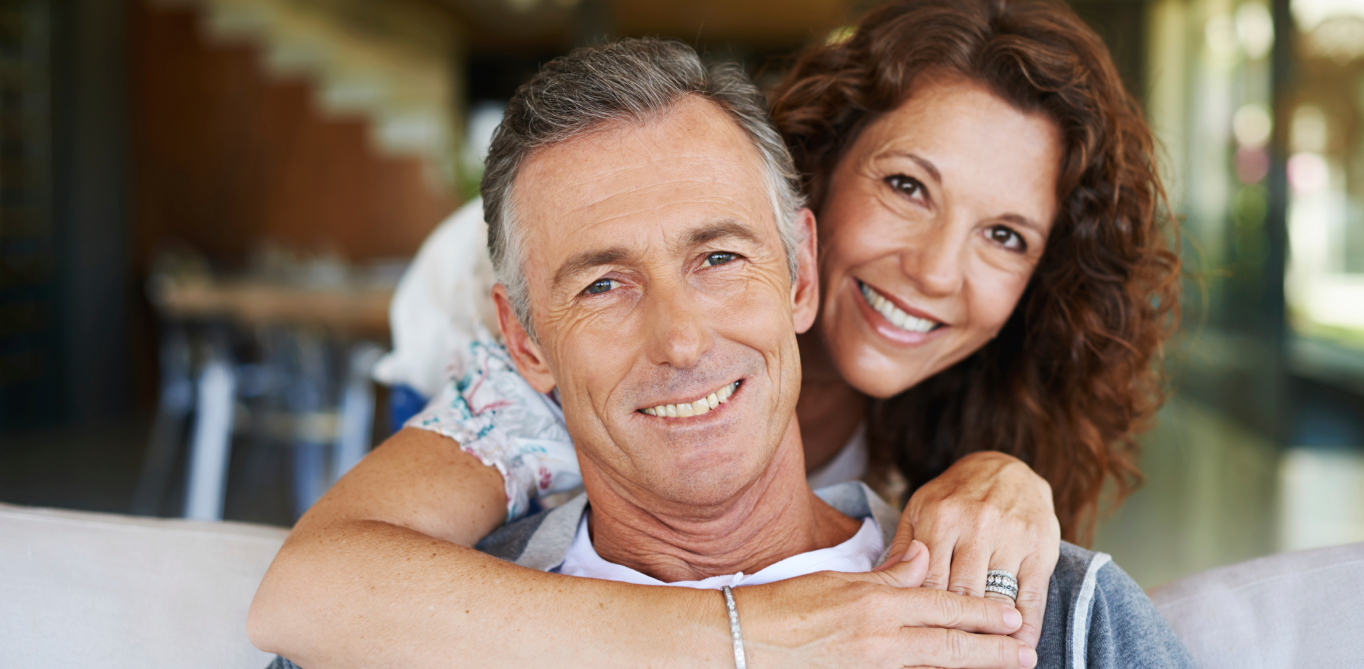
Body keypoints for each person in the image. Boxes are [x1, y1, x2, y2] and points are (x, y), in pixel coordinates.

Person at [249, 0, 1180, 665]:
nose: (937, 271)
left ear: (797, 268)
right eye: (907, 186)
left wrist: (1004, 477)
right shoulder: (532, 400)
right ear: (820, 181)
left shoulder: (1009, 560)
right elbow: (312, 590)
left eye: (1005, 236)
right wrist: (751, 635)